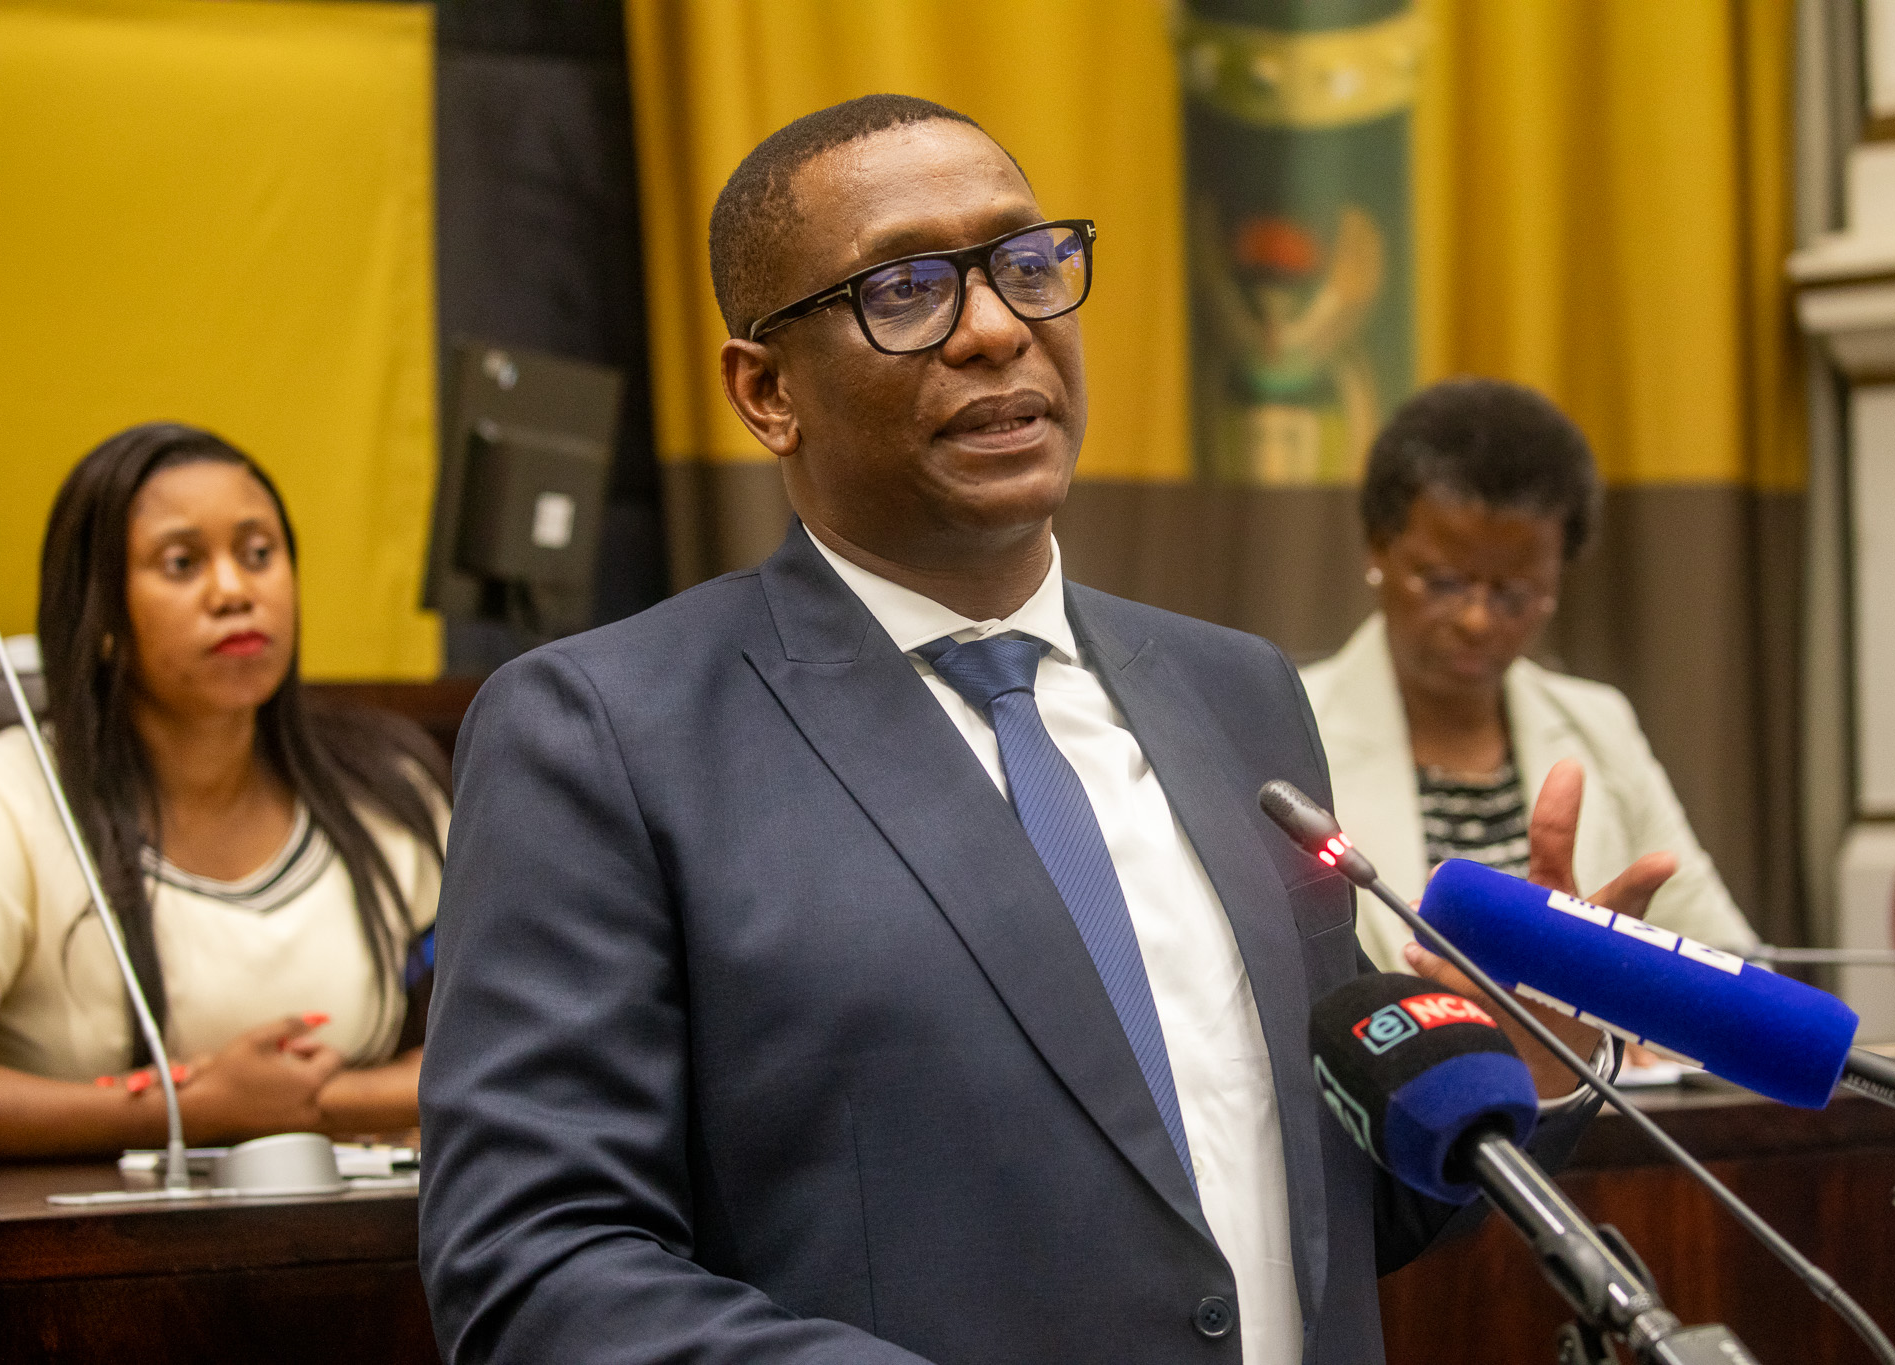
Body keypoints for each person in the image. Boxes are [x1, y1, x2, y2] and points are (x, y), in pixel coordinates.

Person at [420, 96, 1672, 1365]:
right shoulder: (604, 734)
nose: (994, 328)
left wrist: (1518, 1063)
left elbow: (1313, 1213)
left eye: (1026, 265)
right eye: (904, 290)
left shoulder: (1236, 693)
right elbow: (537, 1267)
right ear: (766, 391)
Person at [0, 423, 447, 1155]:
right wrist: (192, 1113)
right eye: (181, 563)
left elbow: (511, 1046)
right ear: (100, 612)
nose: (234, 591)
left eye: (258, 553)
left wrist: (312, 1103)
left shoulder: (386, 790)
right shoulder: (16, 797)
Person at [1300, 379, 1758, 975]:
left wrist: (1619, 1000)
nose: (1476, 619)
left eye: (1516, 593)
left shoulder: (1598, 725)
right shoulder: (1289, 724)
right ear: (1377, 548)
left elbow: (1728, 961)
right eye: (1442, 582)